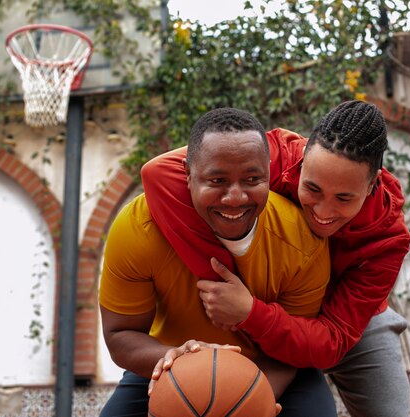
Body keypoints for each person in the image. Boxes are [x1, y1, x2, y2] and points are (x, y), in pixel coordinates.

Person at [142, 100, 410, 417]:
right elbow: (159, 171)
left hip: (347, 323)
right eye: (312, 188)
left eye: (344, 198)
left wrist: (249, 312)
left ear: (371, 184)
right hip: (274, 298)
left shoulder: (389, 240)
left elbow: (331, 341)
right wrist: (224, 280)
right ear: (302, 161)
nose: (323, 212)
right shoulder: (277, 155)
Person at [98, 107, 336, 417]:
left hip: (272, 364)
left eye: (252, 179)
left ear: (269, 170)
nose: (235, 197)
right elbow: (120, 335)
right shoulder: (138, 228)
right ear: (188, 173)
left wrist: (244, 399)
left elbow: (294, 345)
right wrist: (173, 356)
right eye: (217, 180)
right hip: (168, 363)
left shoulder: (301, 240)